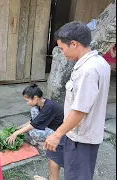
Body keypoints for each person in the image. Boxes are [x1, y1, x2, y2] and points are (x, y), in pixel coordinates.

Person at [45, 21, 111, 180]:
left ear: (74, 44)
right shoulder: (99, 62)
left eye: (62, 48)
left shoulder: (88, 70)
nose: (62, 53)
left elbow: (80, 110)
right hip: (73, 132)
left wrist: (56, 134)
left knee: (77, 176)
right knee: (54, 154)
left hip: (81, 138)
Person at [6, 83, 64, 180]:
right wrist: (18, 128)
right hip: (49, 126)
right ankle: (44, 141)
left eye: (27, 100)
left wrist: (16, 133)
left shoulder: (49, 107)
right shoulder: (39, 105)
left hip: (59, 132)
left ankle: (45, 143)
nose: (27, 103)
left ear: (35, 98)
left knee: (32, 132)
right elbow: (33, 121)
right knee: (30, 123)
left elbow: (33, 125)